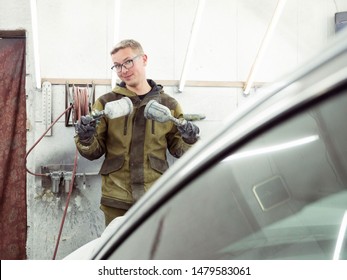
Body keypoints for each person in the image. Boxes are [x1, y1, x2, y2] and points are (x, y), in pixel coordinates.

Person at [75, 39, 200, 226]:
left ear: (144, 59)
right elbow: (94, 152)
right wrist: (85, 138)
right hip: (116, 199)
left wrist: (189, 140)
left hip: (155, 197)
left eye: (128, 62)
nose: (123, 70)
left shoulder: (168, 105)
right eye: (117, 66)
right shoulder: (106, 103)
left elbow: (178, 149)